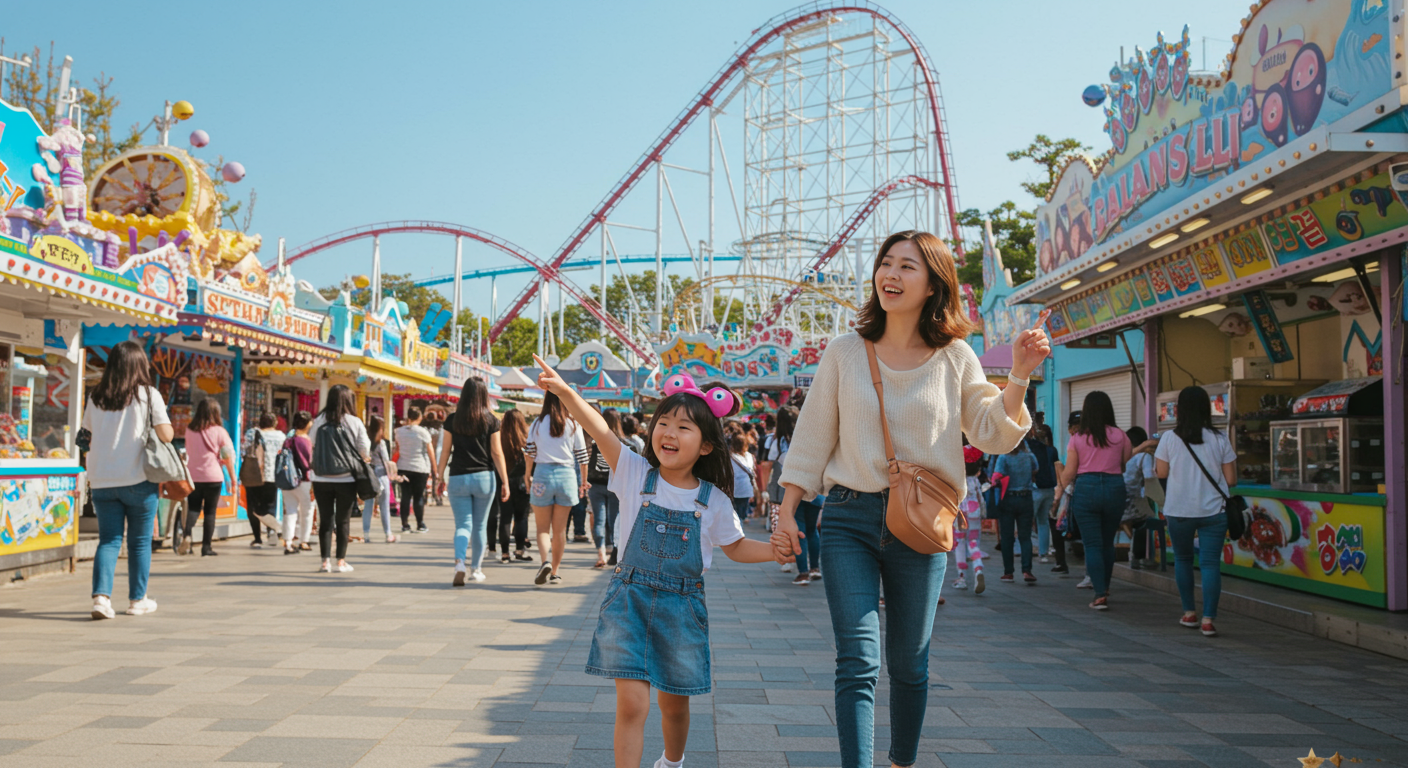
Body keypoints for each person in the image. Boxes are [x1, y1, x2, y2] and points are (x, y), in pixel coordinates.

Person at [772, 230, 1047, 768]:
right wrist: (785, 509)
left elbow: (991, 431)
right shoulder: (845, 352)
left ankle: (901, 761)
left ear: (933, 285)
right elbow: (811, 438)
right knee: (857, 658)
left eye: (908, 267)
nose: (892, 275)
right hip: (849, 514)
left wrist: (1018, 375)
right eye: (887, 264)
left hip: (921, 521)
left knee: (909, 662)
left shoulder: (955, 357)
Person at [534, 356, 775, 768]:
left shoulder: (713, 499)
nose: (669, 432)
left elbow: (735, 547)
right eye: (664, 422)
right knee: (632, 704)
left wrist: (775, 550)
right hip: (629, 602)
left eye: (684, 427)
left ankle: (672, 762)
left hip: (681, 609)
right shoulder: (633, 471)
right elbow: (599, 429)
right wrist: (567, 392)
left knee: (675, 706)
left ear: (705, 446)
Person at [84, 340, 175, 619]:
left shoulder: (96, 396)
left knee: (108, 540)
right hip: (138, 478)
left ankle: (101, 599)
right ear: (139, 365)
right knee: (138, 542)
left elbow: (86, 434)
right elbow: (166, 435)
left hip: (101, 480)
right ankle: (137, 600)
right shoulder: (148, 395)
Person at [1155, 386, 1236, 637]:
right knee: (1210, 563)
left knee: (1183, 560)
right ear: (1206, 408)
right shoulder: (1220, 437)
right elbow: (1231, 479)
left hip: (1179, 509)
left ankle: (1189, 613)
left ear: (1180, 409)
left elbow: (1161, 473)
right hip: (1214, 510)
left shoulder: (1169, 438)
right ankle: (1209, 620)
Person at [1058, 391, 1133, 611]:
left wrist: (1060, 488)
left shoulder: (1078, 437)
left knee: (1092, 544)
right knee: (1107, 541)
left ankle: (1099, 593)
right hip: (1114, 487)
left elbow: (1070, 471)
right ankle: (1105, 586)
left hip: (1087, 488)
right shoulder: (1120, 435)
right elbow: (1124, 464)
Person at [436, 377, 511, 585]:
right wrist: (505, 481)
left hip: (458, 477)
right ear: (484, 396)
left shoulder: (452, 420)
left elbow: (445, 452)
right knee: (479, 526)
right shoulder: (491, 420)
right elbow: (497, 453)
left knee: (462, 525)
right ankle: (476, 569)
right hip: (484, 478)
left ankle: (459, 562)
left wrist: (439, 476)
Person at [525, 390, 589, 585]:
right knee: (560, 530)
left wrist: (528, 473)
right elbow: (583, 456)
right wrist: (583, 481)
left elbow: (529, 452)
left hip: (542, 475)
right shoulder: (573, 424)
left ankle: (544, 561)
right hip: (566, 476)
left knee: (542, 529)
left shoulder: (537, 424)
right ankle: (555, 571)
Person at [308, 384, 371, 573]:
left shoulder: (319, 420)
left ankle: (324, 562)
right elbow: (364, 448)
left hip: (321, 477)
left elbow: (311, 443)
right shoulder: (354, 421)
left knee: (325, 520)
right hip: (346, 479)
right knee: (343, 520)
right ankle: (341, 562)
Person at [180, 399, 235, 558]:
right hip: (213, 477)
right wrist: (231, 478)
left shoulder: (189, 430)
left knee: (193, 508)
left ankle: (187, 535)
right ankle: (206, 547)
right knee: (210, 513)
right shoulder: (219, 431)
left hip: (193, 476)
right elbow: (227, 457)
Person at [586, 409, 628, 569]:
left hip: (595, 484)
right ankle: (615, 551)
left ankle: (601, 553)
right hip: (615, 486)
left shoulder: (595, 441)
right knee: (615, 520)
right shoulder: (623, 443)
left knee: (598, 520)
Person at [993, 439, 1038, 584]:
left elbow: (997, 476)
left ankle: (1008, 572)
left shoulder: (1003, 456)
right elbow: (1036, 468)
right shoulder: (1029, 455)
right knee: (1025, 536)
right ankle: (1027, 570)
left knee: (1007, 537)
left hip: (1008, 498)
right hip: (1026, 498)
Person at [241, 413, 286, 548]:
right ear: (275, 423)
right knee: (269, 506)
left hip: (255, 474)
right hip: (273, 476)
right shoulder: (281, 436)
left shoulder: (251, 433)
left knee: (253, 507)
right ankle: (272, 531)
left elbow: (245, 451)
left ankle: (257, 538)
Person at [498, 409, 533, 563]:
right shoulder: (527, 440)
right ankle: (519, 550)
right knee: (521, 517)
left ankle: (505, 553)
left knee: (505, 518)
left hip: (503, 482)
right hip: (522, 482)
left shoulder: (499, 439)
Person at [395, 407, 437, 534]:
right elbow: (431, 452)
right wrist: (435, 469)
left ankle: (405, 524)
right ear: (419, 417)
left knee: (405, 496)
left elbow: (397, 449)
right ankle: (420, 524)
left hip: (403, 467)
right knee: (418, 496)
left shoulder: (398, 431)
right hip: (420, 468)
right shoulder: (423, 432)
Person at [1122, 425, 1158, 567]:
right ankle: (1139, 555)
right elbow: (1150, 478)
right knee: (1146, 519)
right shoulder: (1144, 456)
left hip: (1120, 498)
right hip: (1135, 499)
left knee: (1130, 521)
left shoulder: (1123, 455)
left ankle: (1134, 551)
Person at [951, 446, 986, 592]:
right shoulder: (975, 481)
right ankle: (978, 569)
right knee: (973, 543)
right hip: (974, 512)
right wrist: (984, 513)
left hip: (960, 515)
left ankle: (961, 577)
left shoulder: (957, 480)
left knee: (959, 544)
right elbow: (981, 499)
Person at [280, 411, 315, 554]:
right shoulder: (306, 440)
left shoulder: (288, 439)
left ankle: (288, 542)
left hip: (288, 480)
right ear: (307, 424)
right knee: (307, 512)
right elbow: (310, 462)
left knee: (290, 511)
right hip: (305, 480)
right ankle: (303, 541)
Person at [1027, 425, 1062, 565]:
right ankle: (1043, 553)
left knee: (1028, 521)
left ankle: (1026, 550)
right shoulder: (1052, 451)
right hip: (1049, 489)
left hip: (1035, 489)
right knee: (1043, 521)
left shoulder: (1030, 449)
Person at [361, 415, 398, 544]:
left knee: (368, 506)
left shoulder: (366, 441)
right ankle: (388, 534)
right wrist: (393, 475)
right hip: (381, 475)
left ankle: (366, 534)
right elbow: (386, 461)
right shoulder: (381, 443)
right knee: (384, 506)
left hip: (369, 476)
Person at [728, 434, 756, 524]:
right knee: (744, 504)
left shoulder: (730, 457)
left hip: (734, 486)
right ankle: (743, 517)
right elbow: (751, 470)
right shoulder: (749, 456)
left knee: (735, 506)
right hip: (747, 485)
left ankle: (738, 520)